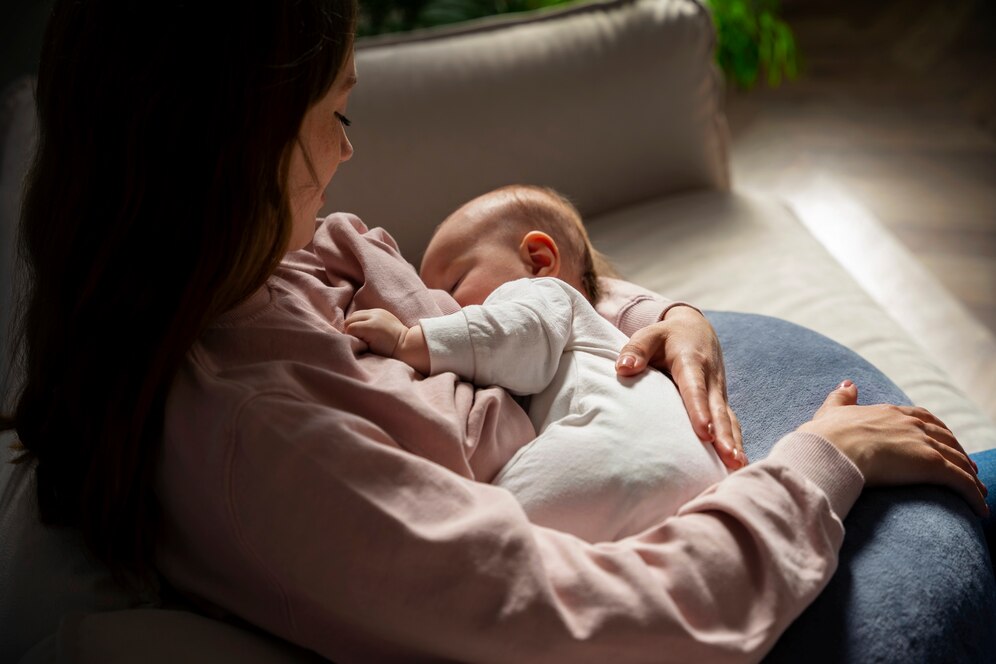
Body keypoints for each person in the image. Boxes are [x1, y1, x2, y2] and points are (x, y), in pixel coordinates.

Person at [1, 1, 988, 662]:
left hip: (649, 429)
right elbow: (585, 618)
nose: (348, 152)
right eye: (335, 113)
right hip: (714, 559)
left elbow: (505, 311)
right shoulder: (260, 447)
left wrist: (659, 318)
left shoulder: (263, 268)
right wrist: (823, 460)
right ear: (236, 144)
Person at [345, 184, 733, 542]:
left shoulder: (541, 293)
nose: (444, 307)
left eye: (453, 286)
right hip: (695, 476)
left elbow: (516, 333)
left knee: (478, 534)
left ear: (537, 259)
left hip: (611, 454)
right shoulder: (593, 331)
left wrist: (407, 339)